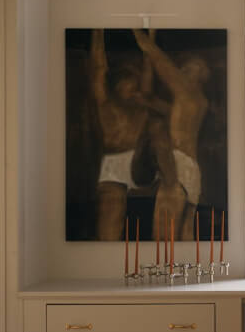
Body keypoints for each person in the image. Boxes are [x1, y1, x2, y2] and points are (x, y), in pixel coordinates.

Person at [131, 28, 210, 239]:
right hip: (191, 170)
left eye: (189, 67)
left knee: (163, 239)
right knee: (185, 236)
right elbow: (150, 99)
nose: (182, 70)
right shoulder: (193, 103)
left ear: (200, 74)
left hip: (177, 165)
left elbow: (158, 59)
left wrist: (143, 34)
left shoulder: (187, 91)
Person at [89, 28, 155, 240]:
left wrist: (150, 37)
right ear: (118, 86)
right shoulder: (107, 106)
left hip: (141, 168)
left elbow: (148, 70)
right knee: (109, 231)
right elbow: (98, 69)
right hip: (114, 169)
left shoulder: (140, 105)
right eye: (129, 85)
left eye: (135, 85)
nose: (134, 89)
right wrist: (97, 31)